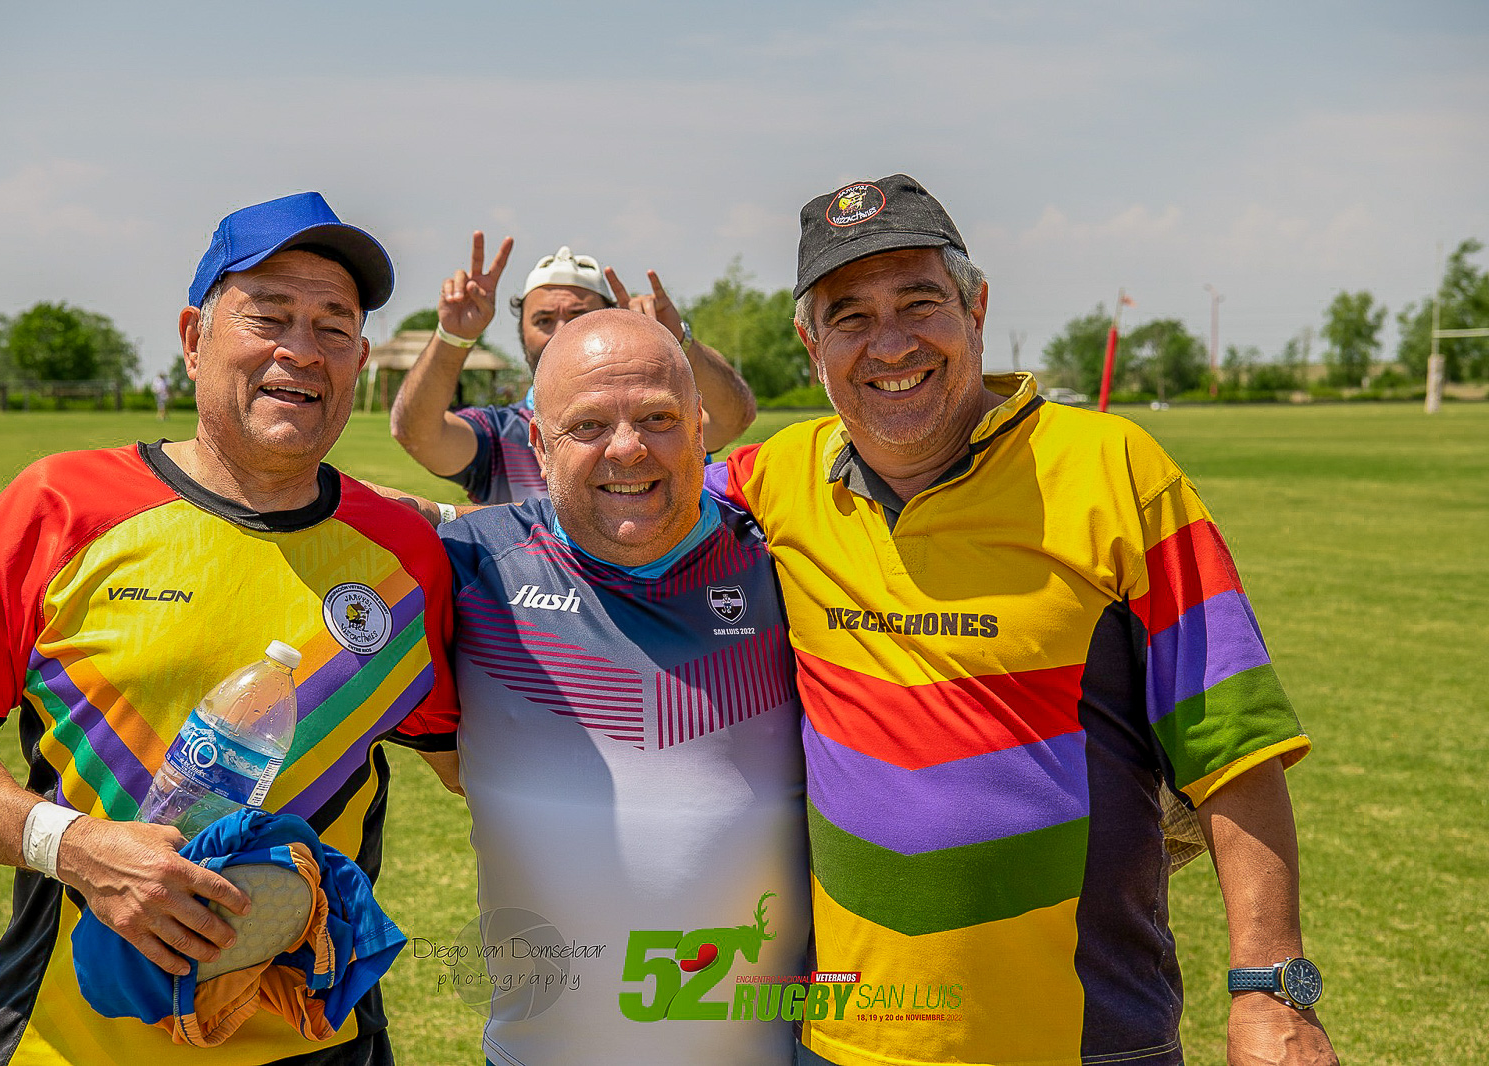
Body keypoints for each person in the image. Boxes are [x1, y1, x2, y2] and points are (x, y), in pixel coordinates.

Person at [709, 175, 1340, 1066]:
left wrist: (1273, 991)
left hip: (1085, 1038)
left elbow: (1235, 746)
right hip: (845, 1040)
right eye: (850, 317)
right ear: (813, 346)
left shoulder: (1115, 470)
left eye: (919, 302)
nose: (890, 343)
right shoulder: (775, 479)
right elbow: (623, 498)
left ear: (976, 310)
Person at [0, 191, 458, 1066]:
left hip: (318, 1044)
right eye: (269, 315)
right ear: (194, 339)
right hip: (71, 1043)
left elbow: (481, 766)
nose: (302, 350)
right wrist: (76, 847)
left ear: (359, 359)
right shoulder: (61, 504)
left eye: (333, 327)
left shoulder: (406, 554)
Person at [426, 309, 809, 1066]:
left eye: (658, 418)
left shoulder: (787, 563)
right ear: (539, 445)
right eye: (589, 425)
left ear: (700, 426)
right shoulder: (466, 567)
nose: (628, 448)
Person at [389, 233, 757, 504]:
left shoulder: (662, 418)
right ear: (521, 333)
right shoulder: (503, 436)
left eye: (580, 315)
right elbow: (417, 432)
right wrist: (453, 336)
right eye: (543, 320)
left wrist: (677, 340)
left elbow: (733, 415)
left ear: (612, 318)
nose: (562, 332)